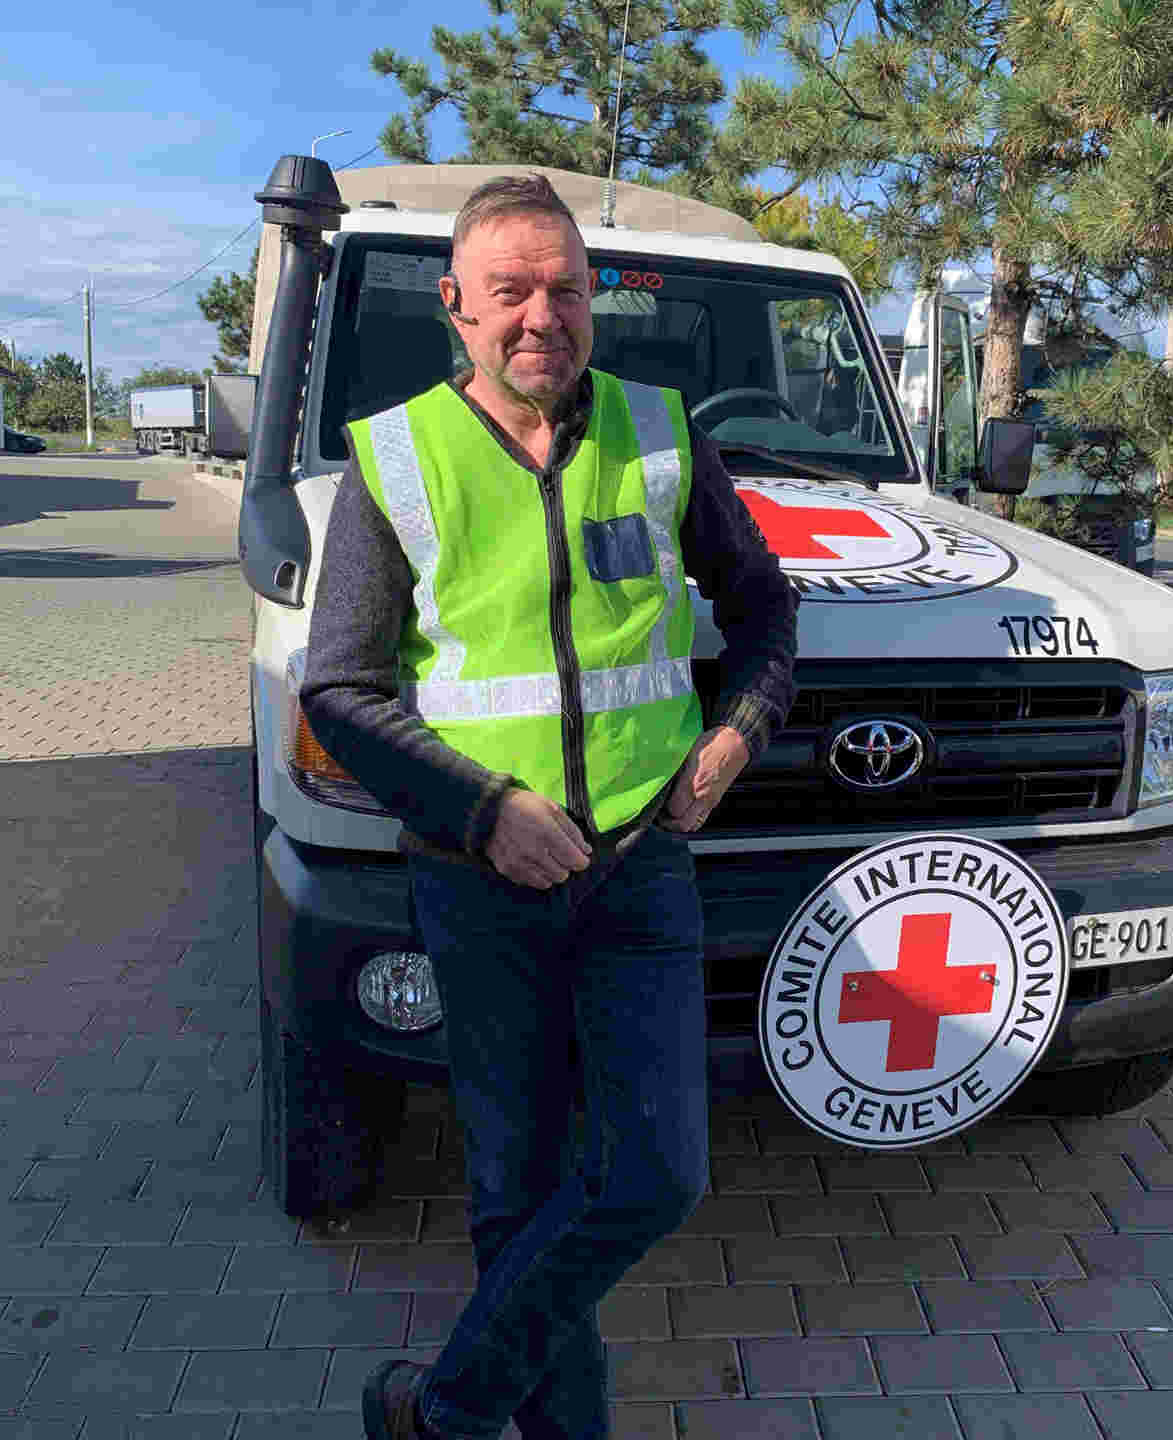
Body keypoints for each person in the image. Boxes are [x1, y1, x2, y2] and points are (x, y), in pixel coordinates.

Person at [299, 174, 798, 1440]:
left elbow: (765, 611)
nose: (541, 318)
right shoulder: (395, 455)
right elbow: (345, 692)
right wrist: (484, 814)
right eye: (509, 292)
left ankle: (446, 1406)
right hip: (478, 887)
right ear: (456, 307)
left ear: (598, 300)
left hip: (639, 874)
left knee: (656, 1173)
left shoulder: (662, 432)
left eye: (565, 289)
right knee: (515, 1191)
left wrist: (740, 731)